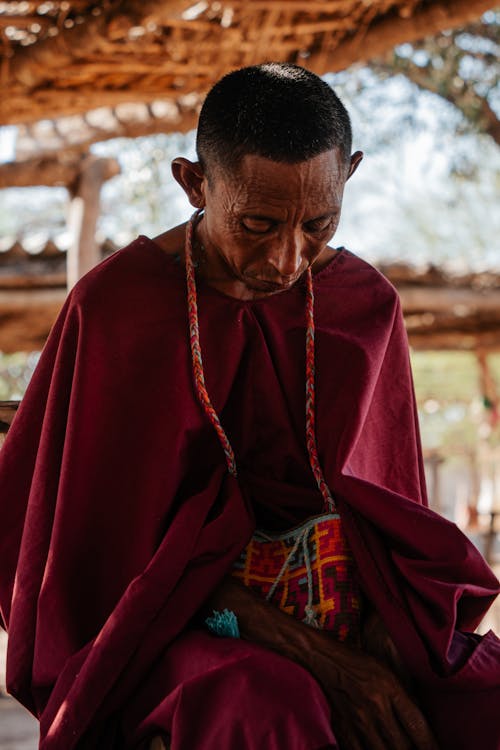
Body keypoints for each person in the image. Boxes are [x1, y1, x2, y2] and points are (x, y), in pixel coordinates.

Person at [0, 63, 499, 750]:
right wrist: (330, 665)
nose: (286, 259)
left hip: (345, 598)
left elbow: (393, 515)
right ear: (195, 183)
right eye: (258, 224)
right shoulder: (117, 311)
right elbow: (105, 560)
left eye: (318, 224)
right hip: (180, 622)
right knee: (270, 709)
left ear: (348, 173)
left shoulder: (365, 307)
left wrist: (387, 634)